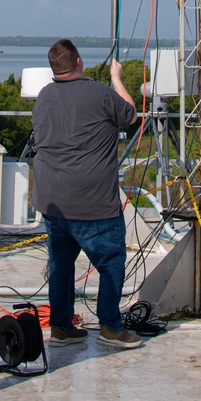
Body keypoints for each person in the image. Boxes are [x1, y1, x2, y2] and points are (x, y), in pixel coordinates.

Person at [32, 39, 142, 352]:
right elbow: (131, 115)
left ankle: (61, 327)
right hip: (94, 203)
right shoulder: (99, 92)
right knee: (110, 263)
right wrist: (117, 78)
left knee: (61, 266)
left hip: (53, 203)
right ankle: (110, 326)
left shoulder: (44, 96)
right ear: (78, 62)